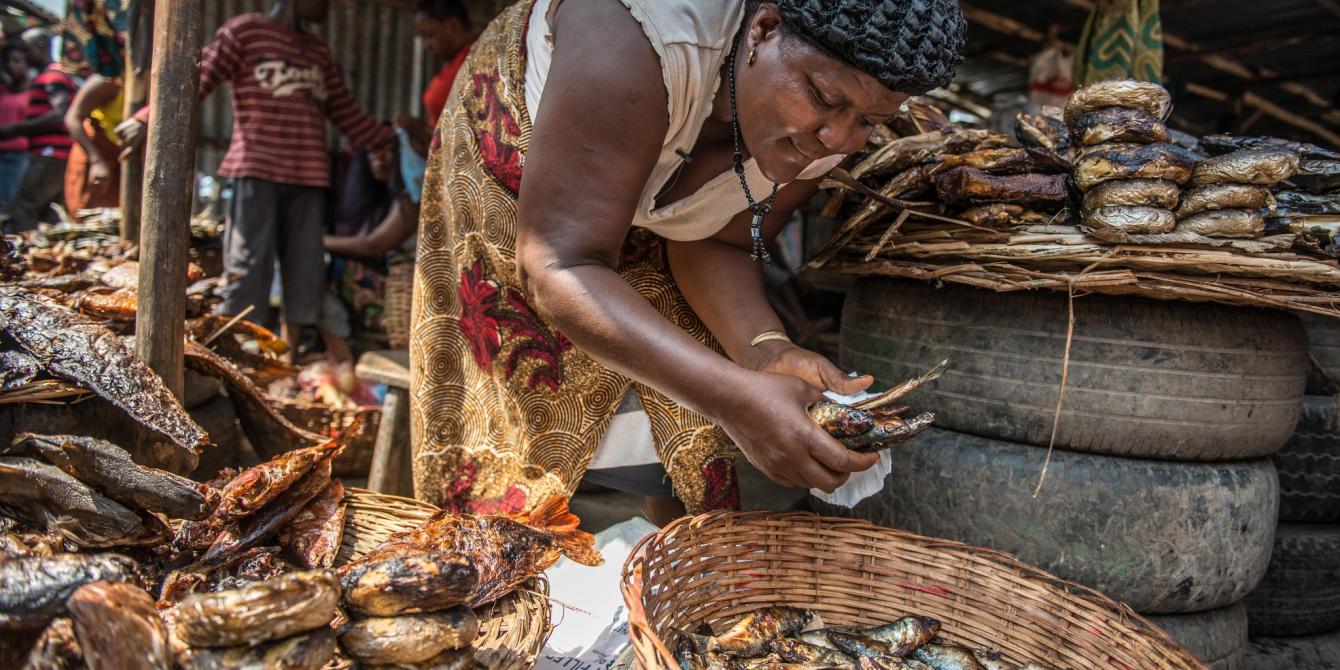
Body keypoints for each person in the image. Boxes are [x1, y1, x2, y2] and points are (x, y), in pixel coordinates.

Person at [409, 0, 965, 522]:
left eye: (868, 120)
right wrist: (732, 399)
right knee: (511, 412)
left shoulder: (821, 135)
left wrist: (764, 350)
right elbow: (559, 262)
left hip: (619, 188)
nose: (838, 138)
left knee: (690, 416)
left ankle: (663, 582)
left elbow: (713, 240)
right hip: (527, 165)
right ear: (764, 29)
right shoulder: (639, 34)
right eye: (824, 97)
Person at [120, 0, 397, 358]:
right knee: (247, 268)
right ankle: (237, 352)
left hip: (309, 178)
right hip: (256, 171)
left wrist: (397, 139)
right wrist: (146, 118)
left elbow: (348, 114)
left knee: (305, 269)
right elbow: (197, 77)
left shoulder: (318, 52)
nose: (328, 6)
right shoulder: (246, 32)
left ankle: (288, 355)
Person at [320, 142, 421, 362]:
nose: (378, 159)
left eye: (387, 151)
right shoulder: (378, 199)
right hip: (388, 289)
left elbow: (372, 245)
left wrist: (315, 241)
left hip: (402, 293)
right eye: (372, 152)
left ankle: (343, 360)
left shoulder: (411, 200)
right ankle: (340, 359)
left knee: (325, 276)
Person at [2, 29, 77, 232]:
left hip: (51, 153)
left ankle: (19, 260)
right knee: (47, 213)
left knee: (22, 209)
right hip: (51, 154)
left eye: (27, 49)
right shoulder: (46, 76)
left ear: (42, 47)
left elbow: (58, 114)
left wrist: (15, 129)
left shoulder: (53, 75)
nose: (24, 55)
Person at [396, 0, 475, 157]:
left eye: (430, 35)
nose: (426, 45)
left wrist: (422, 130)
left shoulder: (475, 62)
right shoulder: (453, 63)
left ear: (453, 26)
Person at [62, 74, 123, 215]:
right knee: (89, 214)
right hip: (95, 151)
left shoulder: (148, 80)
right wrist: (96, 161)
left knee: (117, 215)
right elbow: (72, 118)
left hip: (121, 156)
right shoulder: (108, 80)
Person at [0, 43, 31, 208]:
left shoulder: (32, 91)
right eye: (7, 61)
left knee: (8, 205)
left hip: (16, 156)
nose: (11, 65)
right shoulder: (3, 89)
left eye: (16, 61)